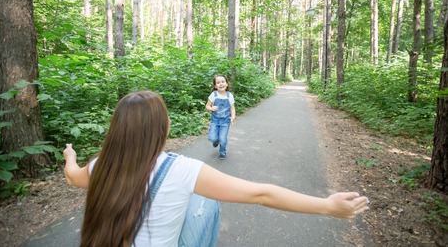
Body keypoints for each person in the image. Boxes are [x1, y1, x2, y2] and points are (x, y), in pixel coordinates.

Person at [63, 90, 370, 247]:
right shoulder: (180, 169)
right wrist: (328, 206)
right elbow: (261, 194)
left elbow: (73, 177)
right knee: (204, 199)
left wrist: (69, 156)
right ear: (161, 128)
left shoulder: (101, 166)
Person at [205, 74, 236, 159]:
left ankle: (222, 152)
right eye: (218, 82)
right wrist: (211, 108)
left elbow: (232, 108)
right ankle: (216, 141)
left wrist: (233, 117)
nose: (221, 84)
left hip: (225, 121)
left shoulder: (229, 96)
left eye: (223, 82)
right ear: (215, 85)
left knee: (223, 138)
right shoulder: (214, 95)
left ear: (227, 84)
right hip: (215, 120)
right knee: (212, 138)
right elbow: (207, 106)